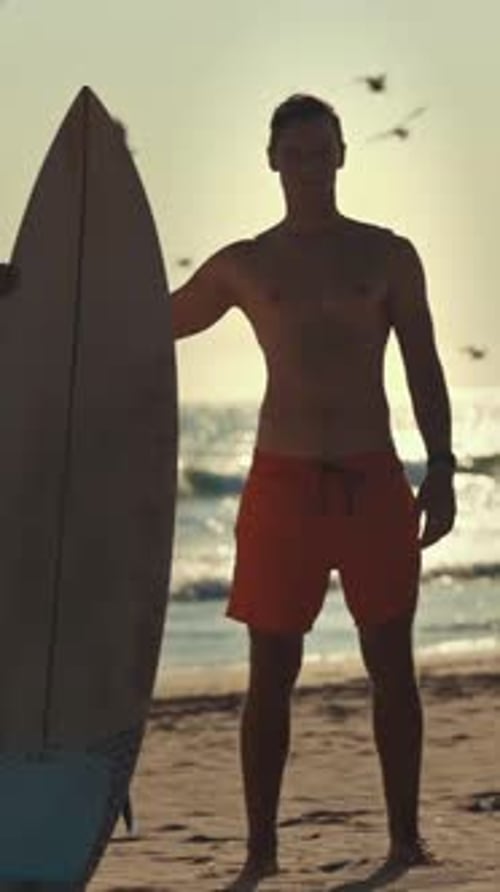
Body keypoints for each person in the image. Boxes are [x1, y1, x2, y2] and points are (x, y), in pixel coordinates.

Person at [170, 94, 456, 890]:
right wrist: (35, 289)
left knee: (391, 663)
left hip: (372, 477)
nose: (308, 166)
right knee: (270, 671)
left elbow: (425, 363)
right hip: (282, 483)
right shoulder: (246, 263)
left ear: (341, 156)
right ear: (271, 161)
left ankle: (406, 839)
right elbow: (151, 321)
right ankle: (261, 851)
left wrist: (441, 463)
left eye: (320, 151)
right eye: (293, 153)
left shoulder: (388, 255)